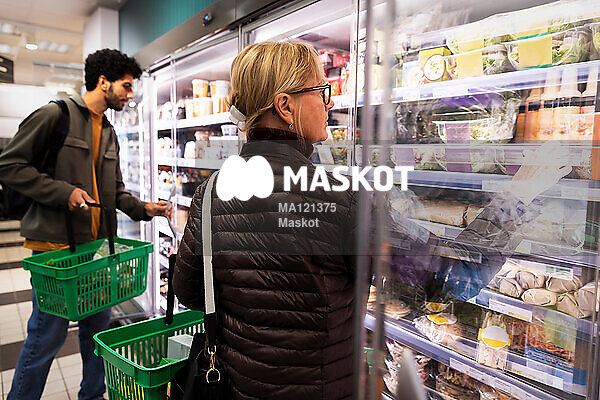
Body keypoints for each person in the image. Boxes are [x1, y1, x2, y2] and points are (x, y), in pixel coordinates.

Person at [172, 41, 570, 399]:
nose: (328, 104)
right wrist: (519, 195)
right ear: (285, 106)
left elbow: (190, 290)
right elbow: (452, 276)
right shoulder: (341, 198)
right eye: (321, 91)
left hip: (240, 387)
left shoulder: (211, 193)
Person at [0, 48, 171, 400]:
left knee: (98, 333)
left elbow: (115, 193)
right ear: (103, 81)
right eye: (126, 86)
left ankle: (92, 396)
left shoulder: (109, 132)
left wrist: (144, 209)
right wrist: (63, 192)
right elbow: (10, 165)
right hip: (56, 253)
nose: (130, 94)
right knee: (46, 337)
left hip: (95, 251)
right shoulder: (55, 115)